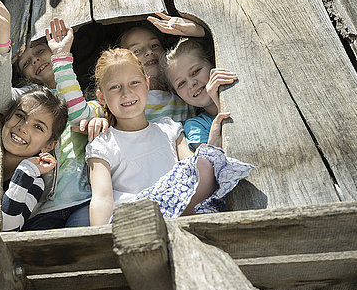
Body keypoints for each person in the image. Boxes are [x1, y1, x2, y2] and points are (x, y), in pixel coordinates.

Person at [0, 0, 99, 230]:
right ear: (25, 76)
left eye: (39, 51)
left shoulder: (88, 100)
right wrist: (2, 36)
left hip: (83, 199)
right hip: (42, 206)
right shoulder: (29, 98)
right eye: (25, 62)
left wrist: (60, 57)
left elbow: (77, 113)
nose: (34, 59)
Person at [86, 48, 253, 224]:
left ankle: (177, 218)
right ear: (102, 97)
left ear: (147, 85)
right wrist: (101, 238)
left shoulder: (168, 128)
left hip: (180, 204)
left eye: (134, 83)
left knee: (204, 164)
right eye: (115, 87)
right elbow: (102, 198)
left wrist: (211, 147)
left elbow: (193, 167)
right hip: (137, 216)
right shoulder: (102, 144)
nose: (126, 93)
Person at [1, 87, 68, 231]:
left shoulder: (34, 183)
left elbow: (8, 229)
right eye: (20, 115)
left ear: (49, 145)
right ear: (8, 115)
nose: (23, 128)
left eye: (38, 127)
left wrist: (24, 172)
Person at [161, 37, 238, 150]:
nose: (192, 83)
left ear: (213, 63)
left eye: (196, 71)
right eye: (181, 83)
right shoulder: (195, 126)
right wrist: (217, 101)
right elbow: (213, 162)